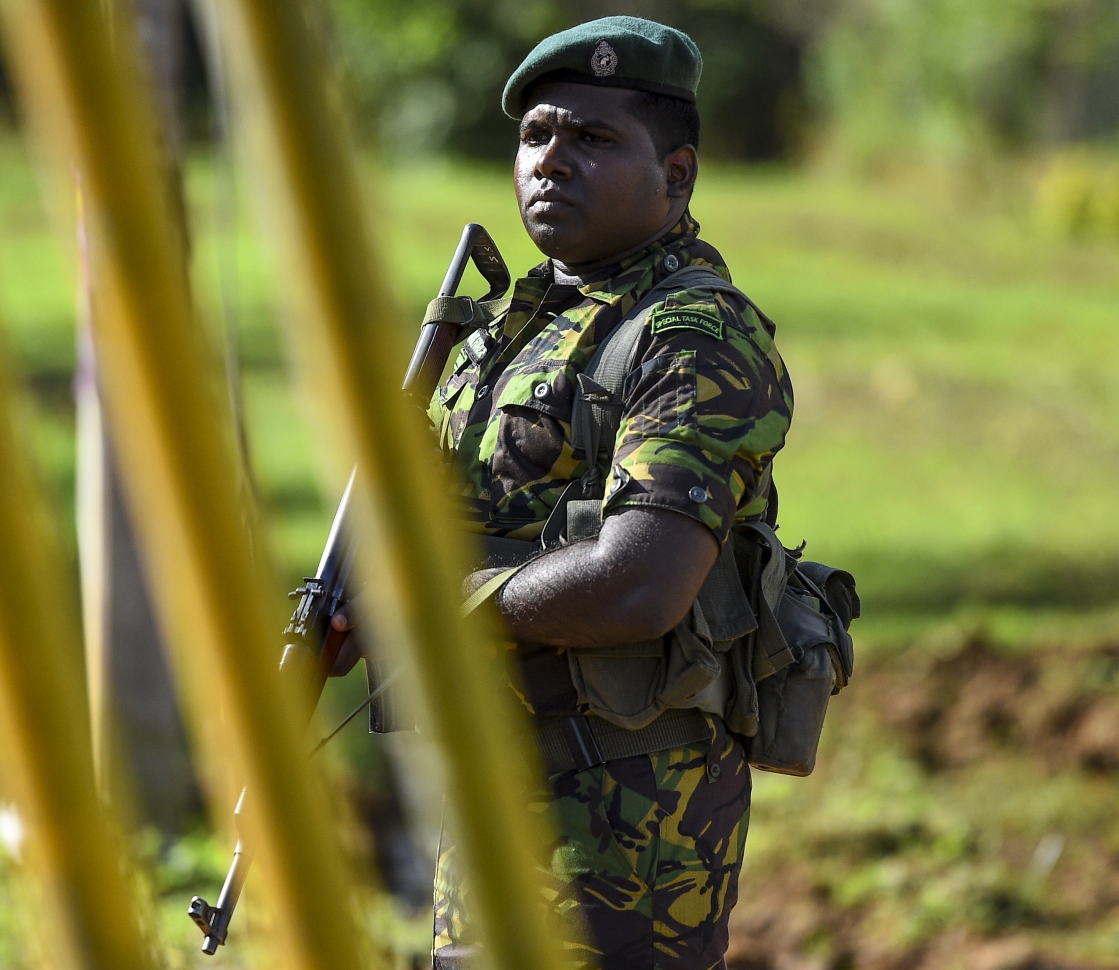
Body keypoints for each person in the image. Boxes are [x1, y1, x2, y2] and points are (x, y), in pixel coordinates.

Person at [335, 15, 793, 970]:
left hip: (628, 830)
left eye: (593, 139)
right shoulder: (510, 326)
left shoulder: (696, 336)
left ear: (678, 174)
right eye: (537, 135)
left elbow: (639, 585)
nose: (551, 161)